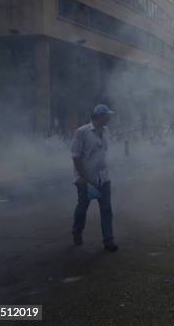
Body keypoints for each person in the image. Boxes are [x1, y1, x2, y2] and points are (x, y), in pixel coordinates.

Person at [70, 104, 118, 252]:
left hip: (103, 178)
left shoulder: (106, 131)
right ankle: (76, 232)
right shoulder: (82, 132)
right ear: (99, 117)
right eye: (107, 116)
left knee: (106, 209)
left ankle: (108, 240)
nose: (109, 118)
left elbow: (104, 152)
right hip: (86, 179)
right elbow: (76, 157)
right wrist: (82, 177)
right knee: (82, 208)